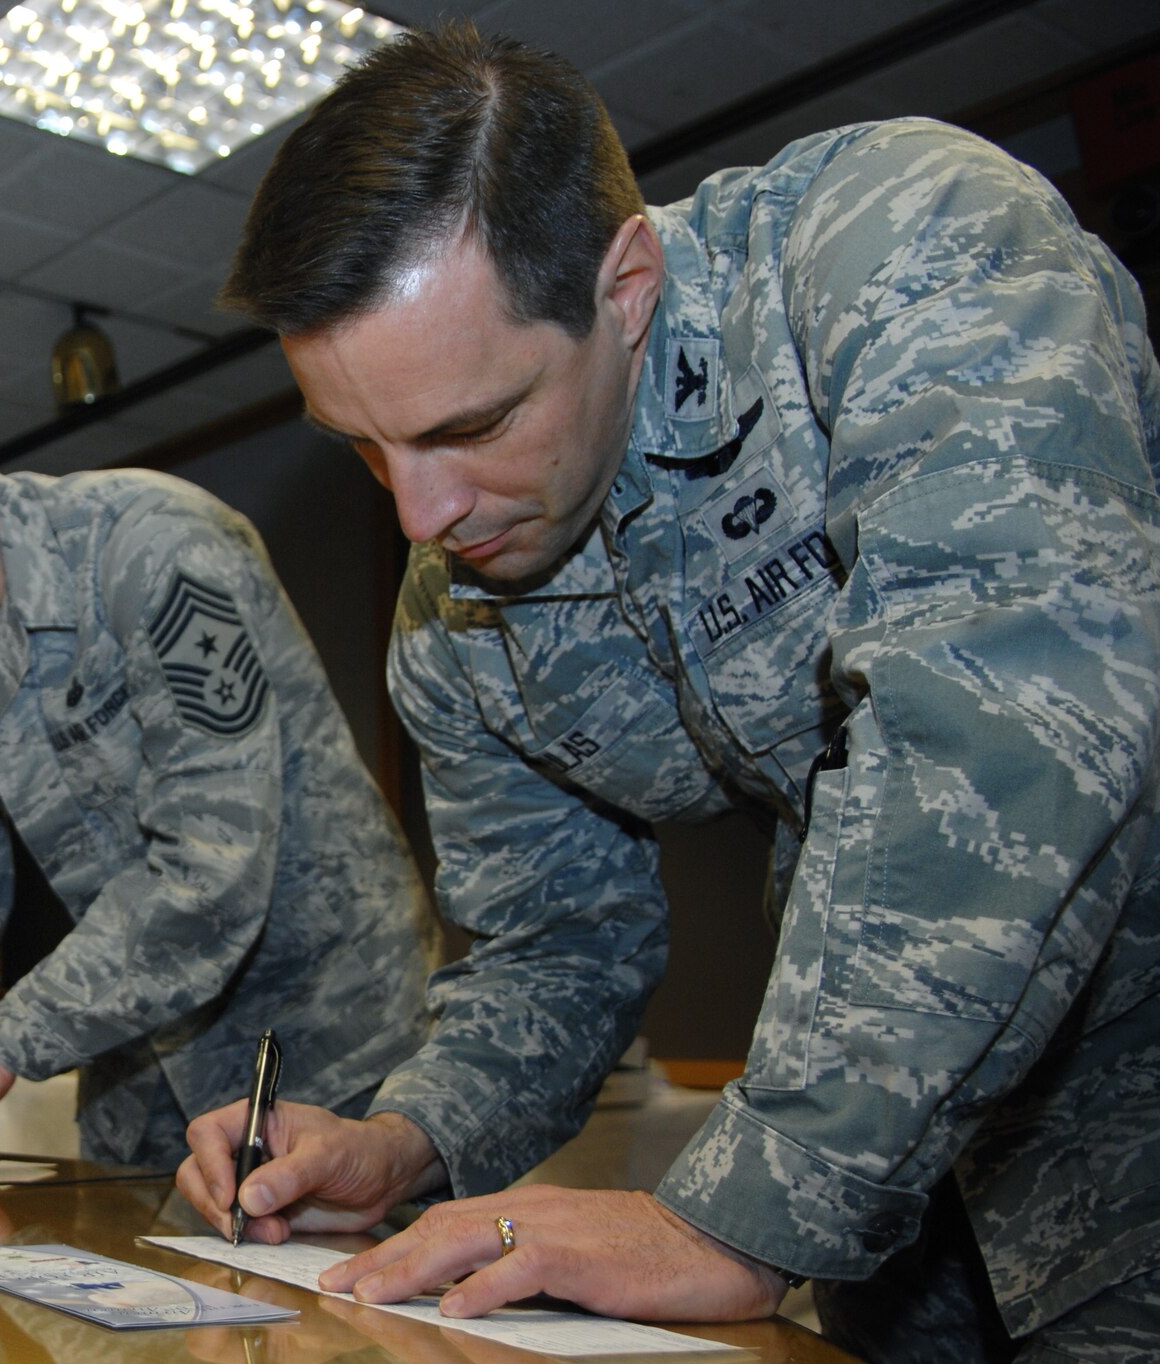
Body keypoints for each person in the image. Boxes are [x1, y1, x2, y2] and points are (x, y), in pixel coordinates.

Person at [173, 23, 1160, 1361]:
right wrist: (406, 1137)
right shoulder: (457, 618)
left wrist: (745, 1217)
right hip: (896, 1169)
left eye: (469, 427)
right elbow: (557, 947)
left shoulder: (891, 244)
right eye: (364, 448)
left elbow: (1007, 718)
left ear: (626, 286)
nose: (420, 512)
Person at [0, 361, 434, 1169]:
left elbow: (209, 868)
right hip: (141, 1069)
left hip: (330, 1047)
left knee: (357, 1295)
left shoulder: (153, 552)